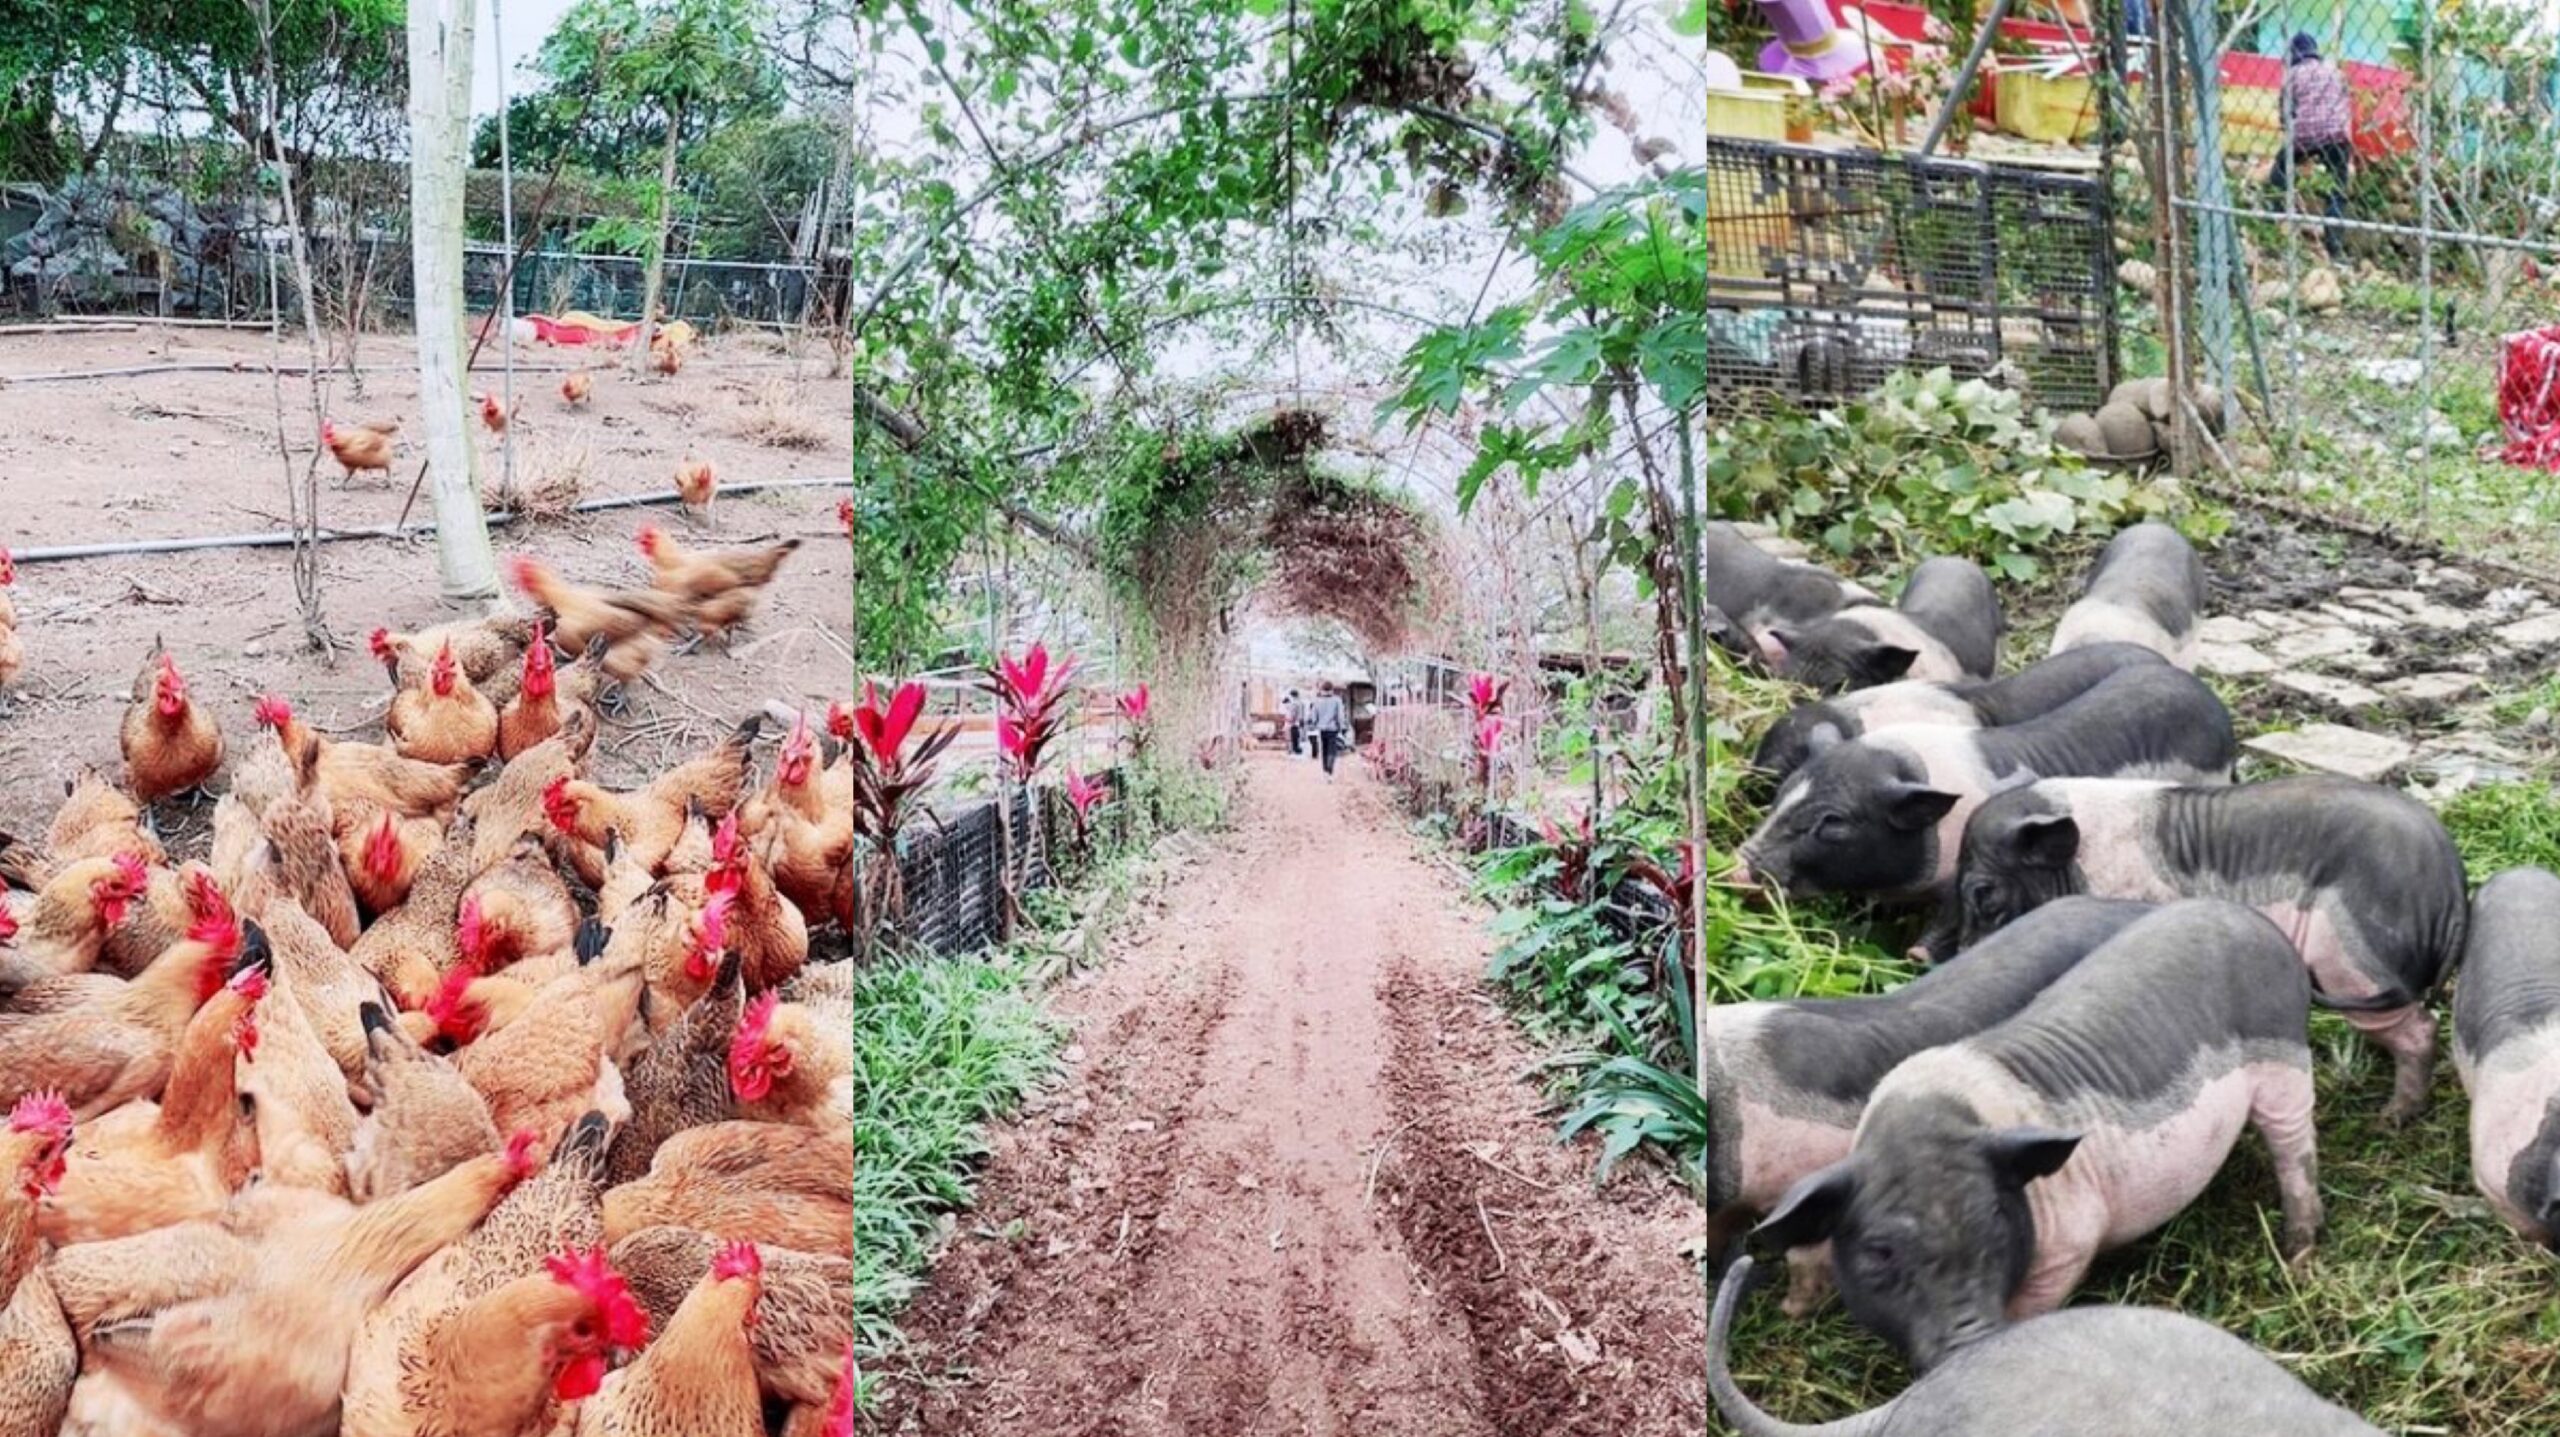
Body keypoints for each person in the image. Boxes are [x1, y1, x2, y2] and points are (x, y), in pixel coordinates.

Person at [2270, 32, 2352, 262]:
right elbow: (2346, 105)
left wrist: (2293, 139)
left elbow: (2285, 114)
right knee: (2337, 189)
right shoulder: (2335, 72)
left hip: (2304, 135)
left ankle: (2278, 216)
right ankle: (2335, 247)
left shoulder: (2292, 75)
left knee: (2279, 172)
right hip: (2337, 135)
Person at [1310, 683, 1349, 780]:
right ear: (1332, 689)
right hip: (1333, 729)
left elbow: (1313, 716)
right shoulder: (1337, 700)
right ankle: (1330, 770)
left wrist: (1314, 725)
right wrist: (1342, 727)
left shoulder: (1317, 701)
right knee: (1332, 750)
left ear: (1322, 690)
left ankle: (1325, 771)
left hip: (1322, 729)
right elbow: (1340, 716)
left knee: (1324, 750)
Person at [1283, 688, 1303, 755]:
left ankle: (1293, 751)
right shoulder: (1300, 703)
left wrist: (1290, 720)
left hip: (1292, 723)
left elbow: (1293, 714)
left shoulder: (1294, 703)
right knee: (1296, 739)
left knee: (1292, 739)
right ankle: (1294, 750)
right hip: (1296, 723)